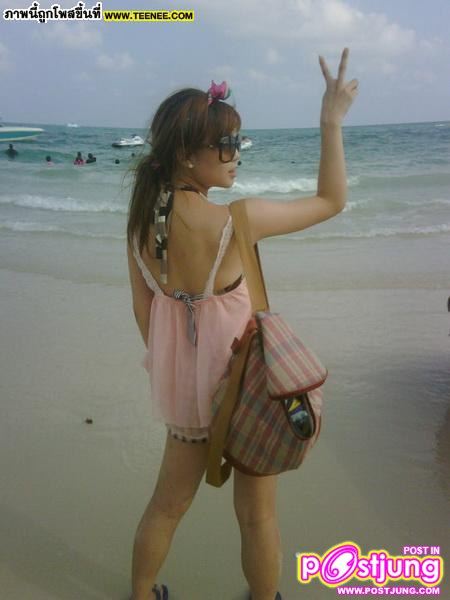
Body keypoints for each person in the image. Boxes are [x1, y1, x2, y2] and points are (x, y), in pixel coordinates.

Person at [126, 48, 358, 600]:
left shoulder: (141, 224)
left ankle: (140, 595)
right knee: (257, 516)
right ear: (187, 155)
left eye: (237, 142)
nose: (236, 155)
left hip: (186, 395)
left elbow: (145, 313)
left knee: (166, 505)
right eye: (226, 144)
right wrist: (330, 121)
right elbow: (332, 200)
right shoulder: (238, 220)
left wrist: (183, 372)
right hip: (249, 388)